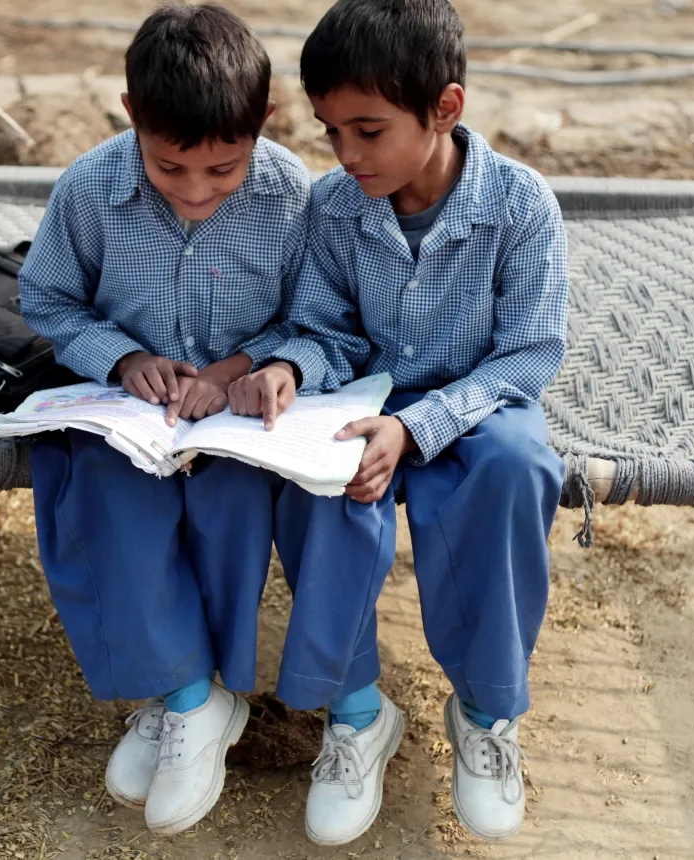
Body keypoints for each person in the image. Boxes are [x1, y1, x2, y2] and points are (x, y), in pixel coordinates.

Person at [230, 0, 569, 844]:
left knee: (520, 469)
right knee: (315, 480)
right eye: (329, 132)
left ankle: (487, 714)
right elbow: (325, 329)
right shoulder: (334, 209)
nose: (346, 155)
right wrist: (287, 368)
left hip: (480, 407)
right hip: (363, 402)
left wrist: (421, 429)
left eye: (368, 131)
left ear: (445, 110)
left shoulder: (522, 207)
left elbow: (529, 355)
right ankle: (355, 713)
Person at [17, 4, 313, 835]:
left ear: (263, 124)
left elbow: (317, 318)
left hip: (240, 417)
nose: (195, 191)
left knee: (230, 506)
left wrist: (237, 371)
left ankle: (192, 685)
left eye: (223, 170)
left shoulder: (293, 196)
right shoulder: (88, 189)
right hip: (129, 413)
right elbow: (47, 299)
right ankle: (188, 700)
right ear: (131, 117)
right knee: (101, 496)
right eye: (170, 166)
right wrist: (119, 358)